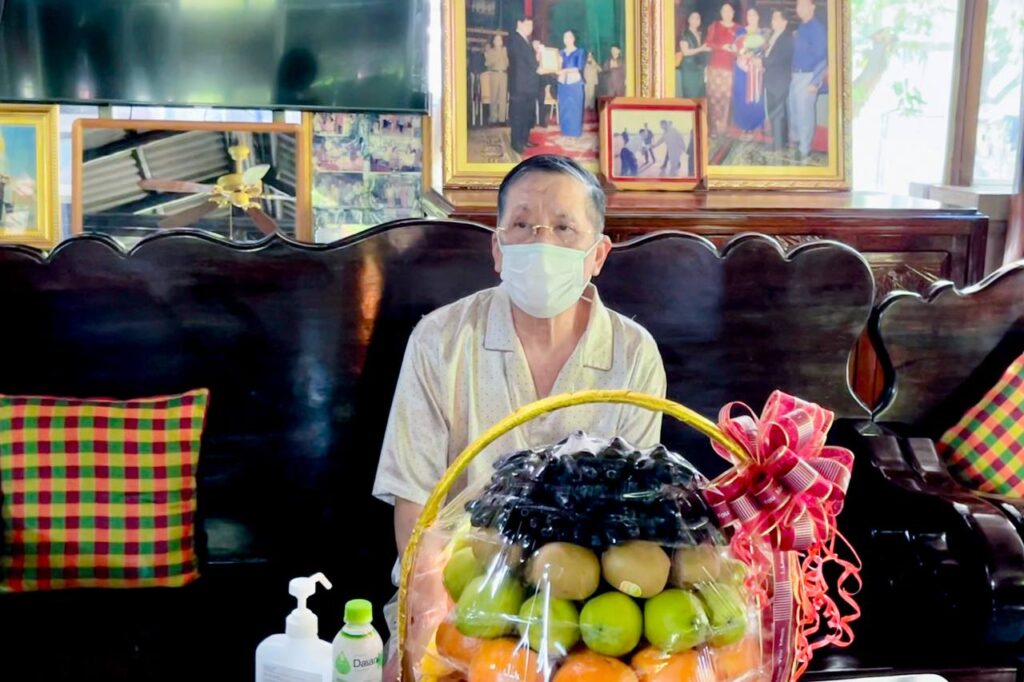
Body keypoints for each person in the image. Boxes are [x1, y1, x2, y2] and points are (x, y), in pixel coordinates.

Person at [374, 155, 666, 673]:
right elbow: (415, 501)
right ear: (497, 248)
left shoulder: (633, 352)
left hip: (588, 608)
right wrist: (429, 613)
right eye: (522, 225)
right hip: (459, 596)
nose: (541, 243)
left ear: (598, 254)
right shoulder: (440, 340)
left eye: (563, 228)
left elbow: (632, 511)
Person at [789, 0, 827, 159]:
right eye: (798, 5)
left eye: (804, 5)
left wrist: (815, 82)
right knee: (794, 109)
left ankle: (805, 149)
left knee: (805, 114)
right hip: (797, 75)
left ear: (812, 7)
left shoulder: (817, 28)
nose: (800, 8)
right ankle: (798, 141)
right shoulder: (802, 27)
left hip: (809, 76)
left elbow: (823, 57)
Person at [731, 8, 768, 133]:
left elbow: (767, 51)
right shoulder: (741, 31)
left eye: (754, 15)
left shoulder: (764, 33)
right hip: (741, 69)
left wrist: (758, 57)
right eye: (749, 15)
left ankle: (756, 124)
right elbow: (735, 47)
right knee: (742, 96)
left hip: (756, 70)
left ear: (758, 16)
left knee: (756, 96)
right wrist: (742, 53)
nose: (751, 17)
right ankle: (743, 125)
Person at [508, 16, 541, 154]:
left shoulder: (527, 41)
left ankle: (524, 138)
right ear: (519, 23)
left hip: (529, 84)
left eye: (531, 26)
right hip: (519, 85)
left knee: (527, 114)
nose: (530, 28)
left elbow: (532, 60)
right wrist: (538, 65)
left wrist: (537, 53)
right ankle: (516, 143)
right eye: (528, 25)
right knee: (518, 115)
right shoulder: (515, 39)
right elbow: (524, 61)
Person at [763, 9, 795, 153]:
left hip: (779, 81)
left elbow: (775, 59)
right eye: (772, 17)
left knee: (778, 113)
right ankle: (779, 141)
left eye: (776, 18)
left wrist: (760, 61)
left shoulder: (786, 38)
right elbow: (768, 54)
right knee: (774, 112)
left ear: (784, 22)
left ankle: (780, 144)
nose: (773, 20)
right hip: (772, 80)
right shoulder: (773, 36)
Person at [706, 3, 739, 136]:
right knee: (714, 98)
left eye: (729, 10)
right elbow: (709, 43)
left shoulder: (739, 28)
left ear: (733, 13)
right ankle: (714, 128)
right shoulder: (715, 26)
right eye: (724, 10)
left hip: (730, 68)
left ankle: (724, 128)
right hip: (715, 68)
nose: (727, 13)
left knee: (727, 98)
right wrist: (722, 47)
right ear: (721, 13)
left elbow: (742, 46)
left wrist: (735, 50)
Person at [557, 30, 586, 138]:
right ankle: (565, 131)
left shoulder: (580, 51)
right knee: (564, 107)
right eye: (565, 37)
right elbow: (556, 66)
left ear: (573, 38)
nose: (566, 39)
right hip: (562, 82)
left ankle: (574, 132)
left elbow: (579, 67)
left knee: (575, 108)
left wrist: (564, 70)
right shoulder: (560, 52)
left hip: (575, 82)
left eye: (569, 37)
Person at [676, 11, 711, 98]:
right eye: (693, 18)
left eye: (698, 18)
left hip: (700, 69)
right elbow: (685, 52)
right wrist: (701, 48)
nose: (695, 20)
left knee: (700, 96)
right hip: (689, 70)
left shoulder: (700, 34)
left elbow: (704, 50)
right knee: (691, 97)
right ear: (688, 20)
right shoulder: (685, 33)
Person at [484, 34, 510, 124]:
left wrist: (504, 54)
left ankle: (502, 119)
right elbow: (488, 63)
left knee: (503, 97)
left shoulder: (505, 50)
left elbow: (507, 63)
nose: (499, 41)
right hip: (494, 74)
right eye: (497, 40)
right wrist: (498, 55)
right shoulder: (490, 51)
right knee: (494, 97)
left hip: (503, 74)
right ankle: (493, 118)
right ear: (494, 42)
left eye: (500, 40)